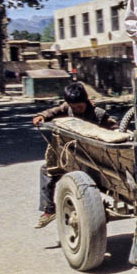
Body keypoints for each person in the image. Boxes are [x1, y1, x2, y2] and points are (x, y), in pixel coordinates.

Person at [32, 82, 118, 229]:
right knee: (46, 170)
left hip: (94, 159)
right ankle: (49, 209)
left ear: (86, 101)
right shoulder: (67, 108)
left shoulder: (98, 114)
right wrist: (42, 116)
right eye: (74, 107)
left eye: (80, 106)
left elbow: (115, 128)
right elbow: (54, 111)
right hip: (73, 156)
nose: (77, 109)